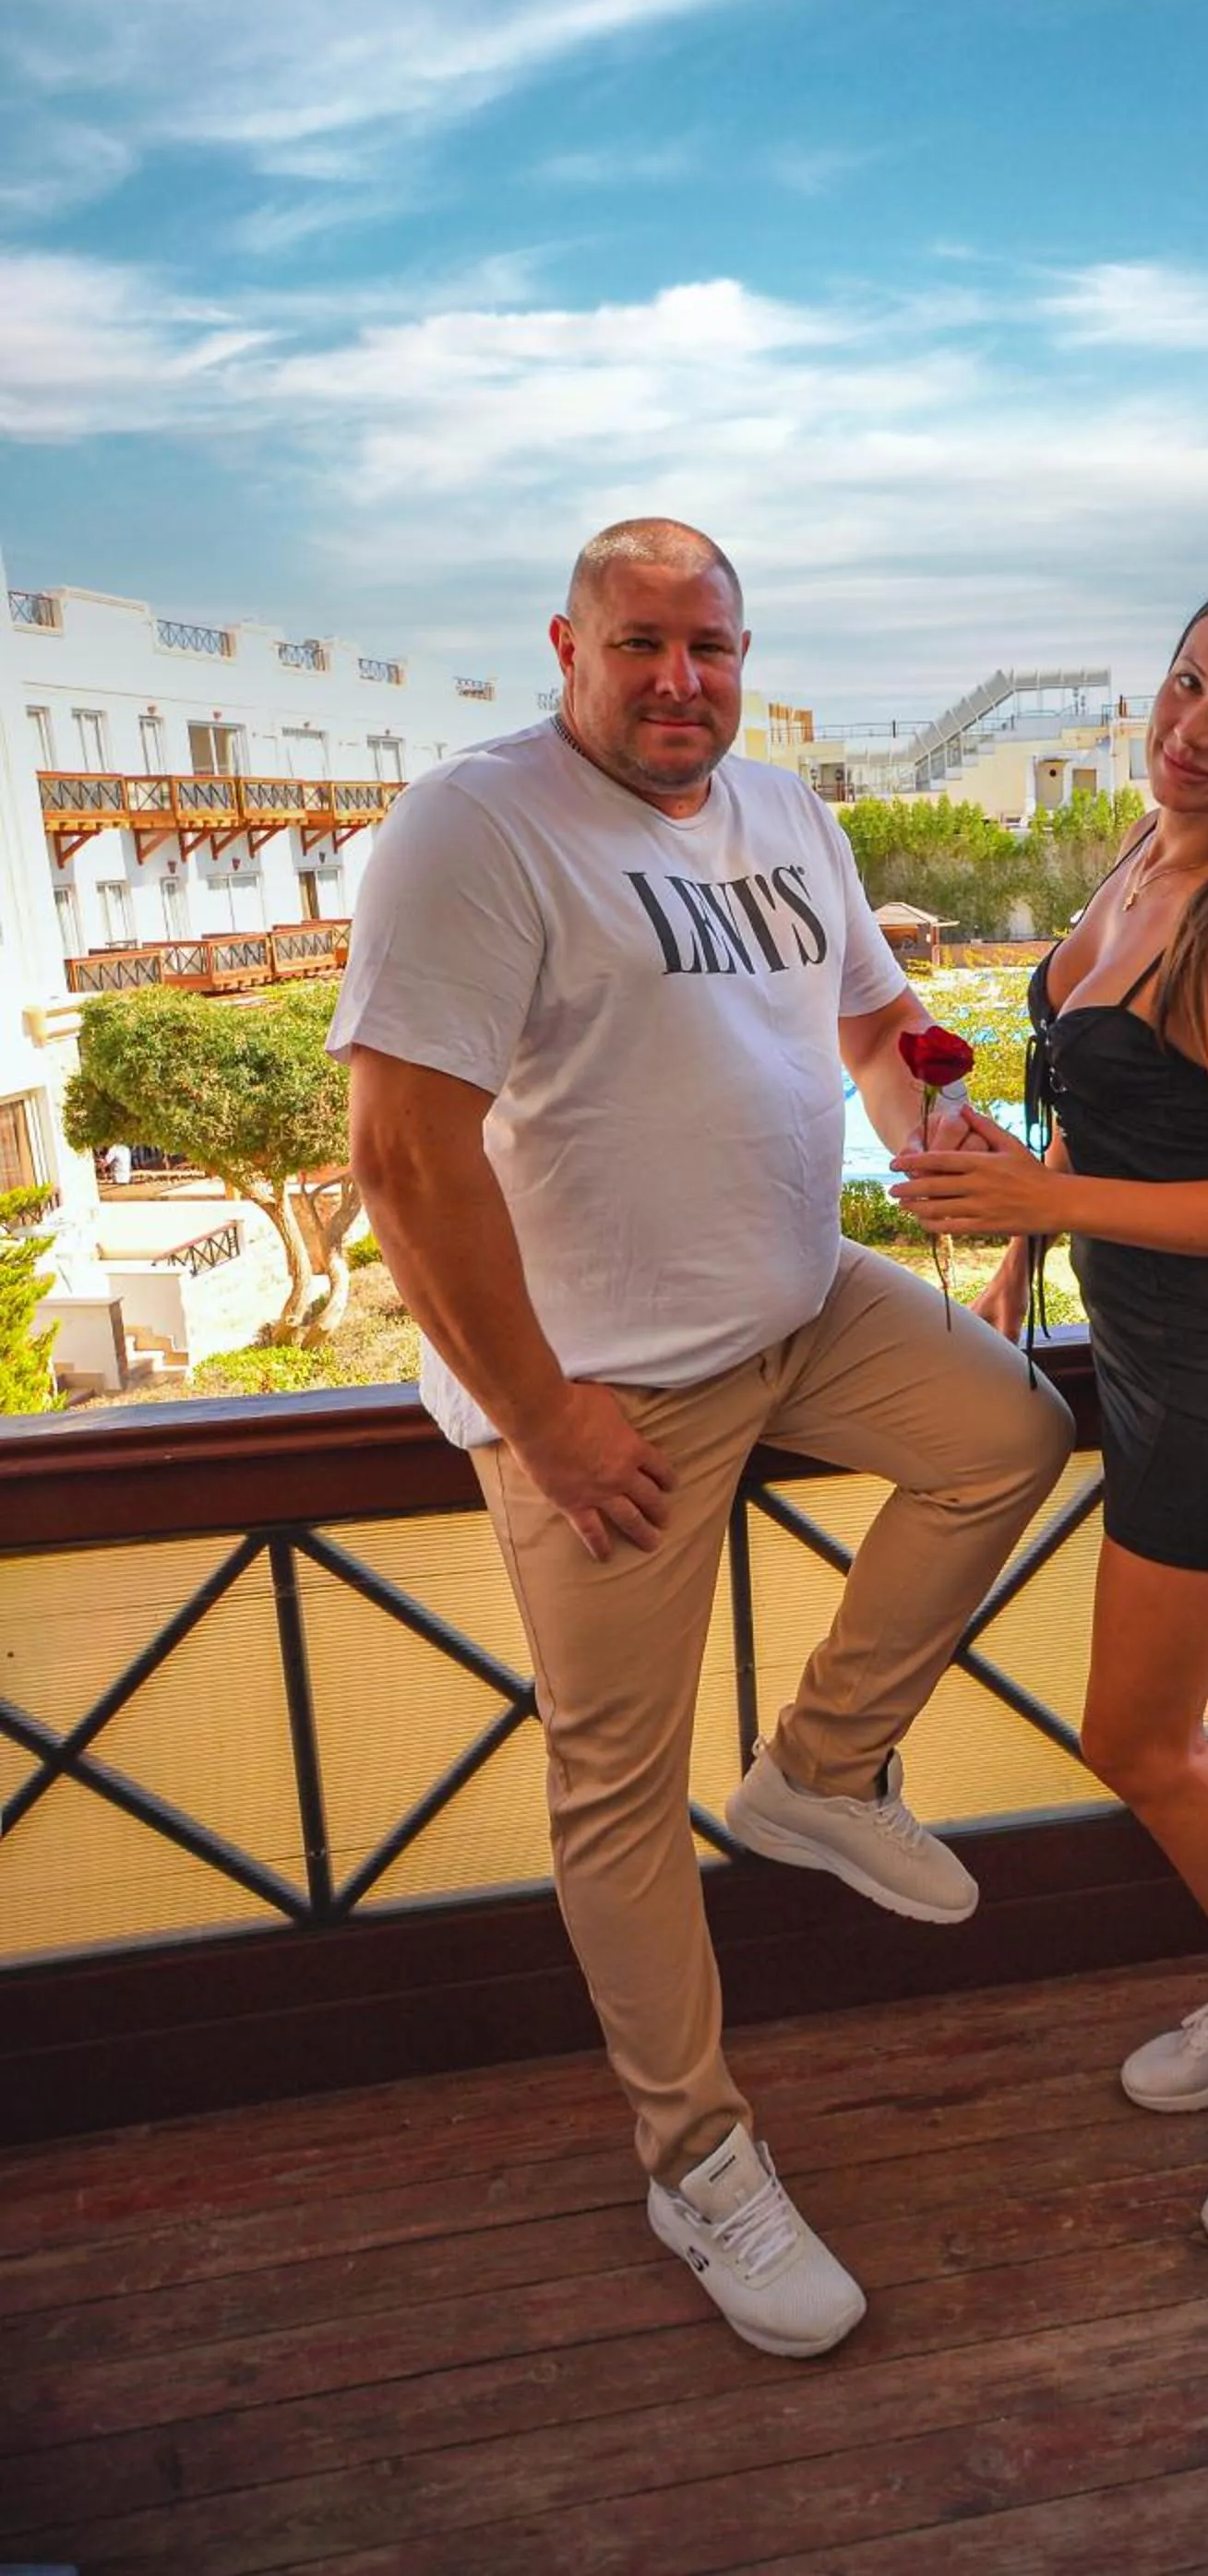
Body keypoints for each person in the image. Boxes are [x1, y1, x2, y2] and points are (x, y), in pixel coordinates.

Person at [330, 519, 1071, 2359]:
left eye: (713, 646)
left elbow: (877, 1023)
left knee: (1010, 1429)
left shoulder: (785, 809)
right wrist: (543, 1418)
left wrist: (932, 1126)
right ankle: (700, 2164)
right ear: (567, 646)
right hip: (608, 1391)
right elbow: (401, 1160)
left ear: (747, 655)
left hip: (805, 1302)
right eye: (643, 643)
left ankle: (821, 1768)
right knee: (616, 1789)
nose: (682, 681)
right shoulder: (476, 827)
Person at [895, 569, 1208, 2252]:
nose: (1193, 730)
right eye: (1188, 684)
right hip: (1150, 1356)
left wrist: (1052, 1196)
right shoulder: (1142, 859)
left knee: (1132, 1738)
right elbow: (1114, 1125)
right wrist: (1019, 1234)